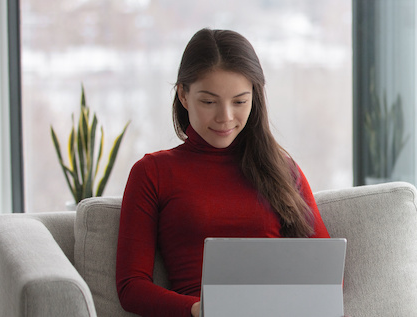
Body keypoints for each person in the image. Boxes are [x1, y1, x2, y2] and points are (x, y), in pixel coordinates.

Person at [115, 28, 331, 317]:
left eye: (239, 102)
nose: (225, 117)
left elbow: (326, 273)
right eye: (208, 102)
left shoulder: (282, 169)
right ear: (183, 94)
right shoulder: (152, 172)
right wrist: (198, 309)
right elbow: (131, 286)